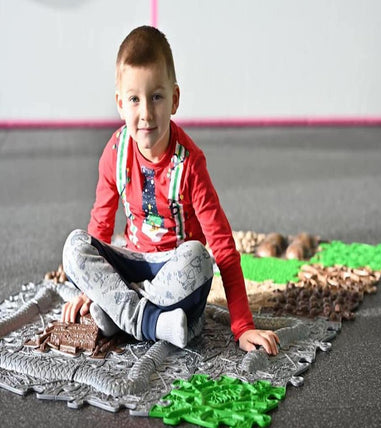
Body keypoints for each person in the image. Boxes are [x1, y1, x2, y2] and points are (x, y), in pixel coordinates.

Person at [61, 25, 279, 355]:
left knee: (199, 258)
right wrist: (89, 288)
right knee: (74, 246)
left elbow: (222, 244)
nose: (146, 113)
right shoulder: (115, 153)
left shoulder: (189, 163)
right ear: (120, 104)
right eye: (134, 100)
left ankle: (121, 314)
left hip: (173, 275)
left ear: (174, 99)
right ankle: (150, 321)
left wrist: (243, 325)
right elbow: (101, 225)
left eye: (157, 97)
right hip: (134, 262)